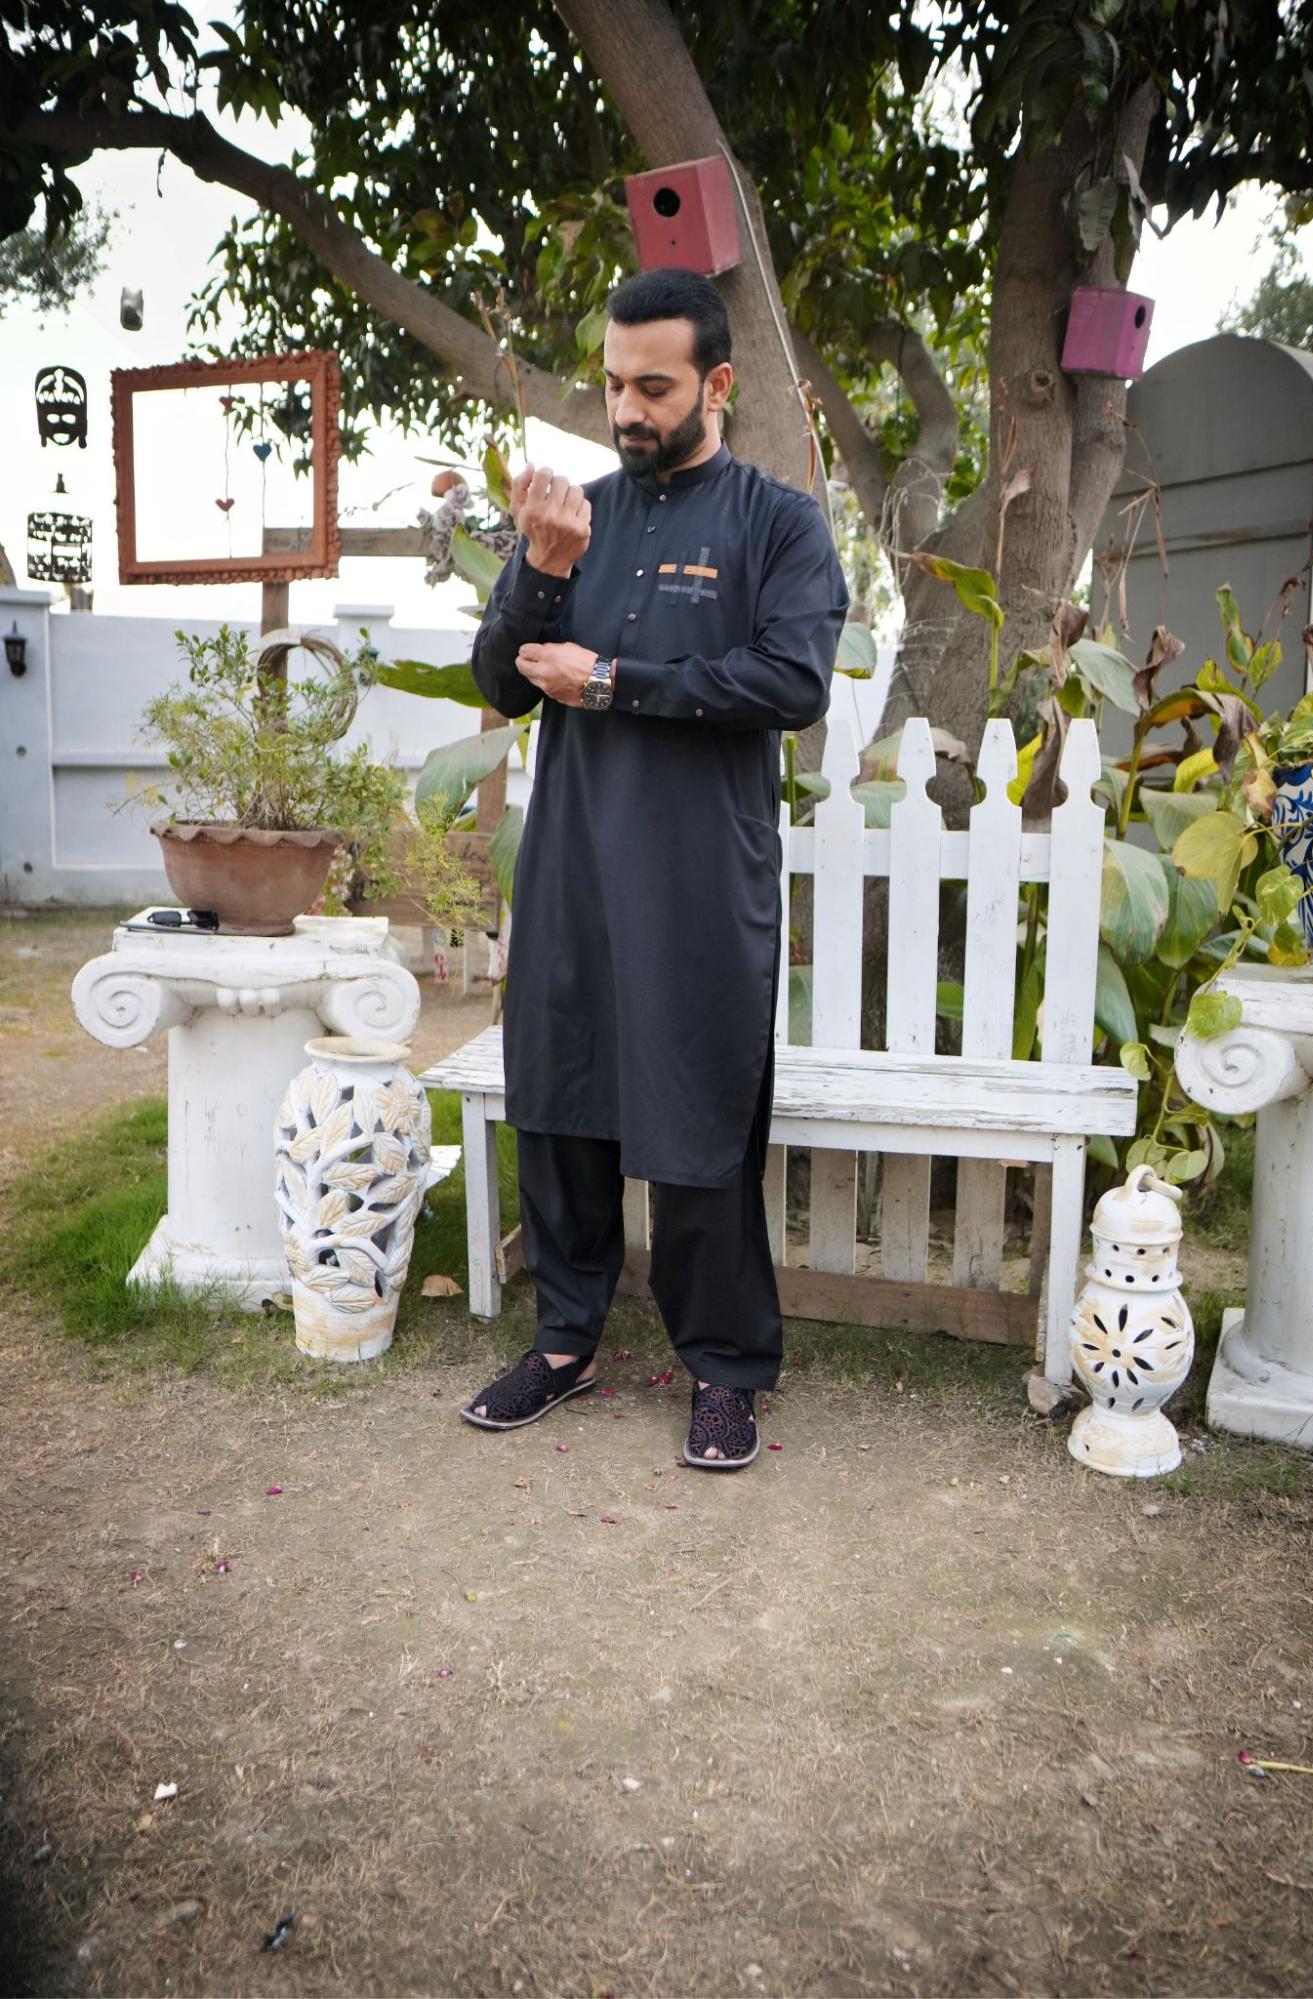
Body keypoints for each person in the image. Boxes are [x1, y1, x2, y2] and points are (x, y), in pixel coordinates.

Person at [461, 267, 849, 1469]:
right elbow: (494, 676)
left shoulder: (776, 524)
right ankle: (566, 1343)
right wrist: (536, 563)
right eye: (616, 385)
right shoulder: (581, 516)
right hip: (573, 867)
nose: (626, 410)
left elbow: (789, 684)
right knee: (562, 1105)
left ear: (716, 383)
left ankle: (723, 1367)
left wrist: (622, 683)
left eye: (654, 387)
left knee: (696, 1121)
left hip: (695, 882)